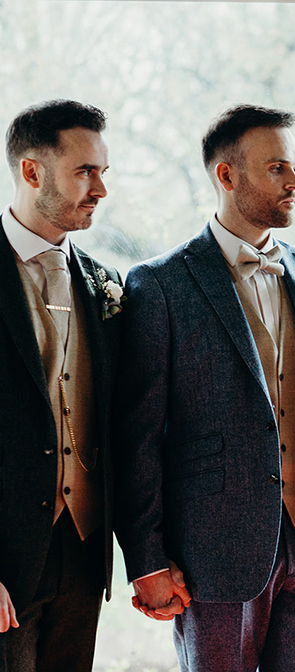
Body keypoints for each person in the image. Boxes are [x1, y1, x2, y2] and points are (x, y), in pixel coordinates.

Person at [114, 104, 295, 672]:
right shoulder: (160, 284)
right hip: (213, 555)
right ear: (227, 175)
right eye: (278, 167)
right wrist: (148, 559)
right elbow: (137, 438)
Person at [0, 100, 121, 672]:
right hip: (7, 560)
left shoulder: (103, 283)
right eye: (84, 172)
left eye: (103, 172)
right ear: (31, 171)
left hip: (84, 548)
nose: (100, 189)